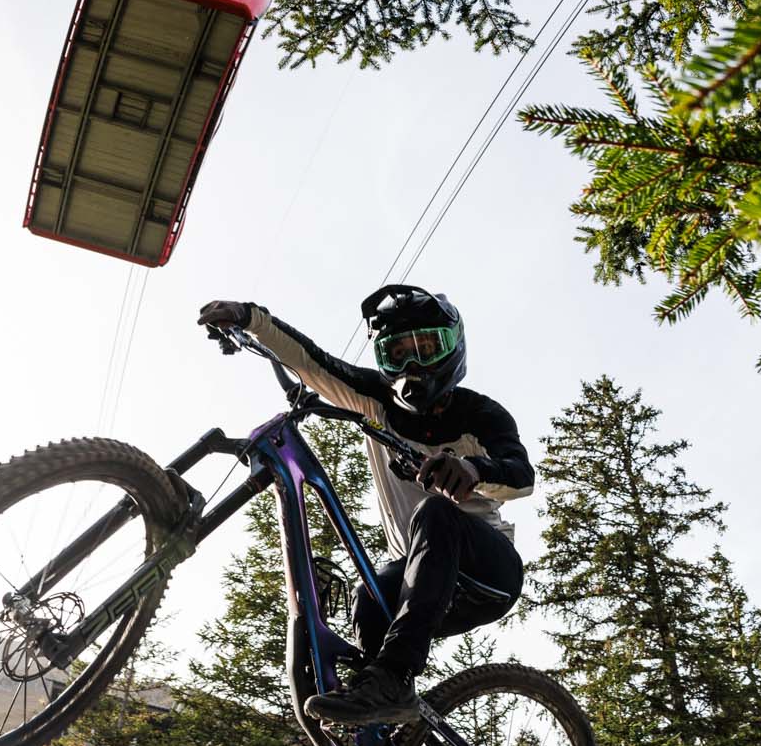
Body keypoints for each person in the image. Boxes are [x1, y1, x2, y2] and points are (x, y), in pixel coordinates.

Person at [197, 286, 533, 724]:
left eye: (426, 348)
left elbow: (520, 476)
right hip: (417, 579)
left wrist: (473, 470)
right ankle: (375, 739)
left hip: (487, 575)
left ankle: (394, 676)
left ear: (452, 348)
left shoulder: (482, 415)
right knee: (369, 597)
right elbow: (313, 362)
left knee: (435, 514)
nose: (412, 366)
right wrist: (249, 318)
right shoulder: (375, 400)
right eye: (397, 354)